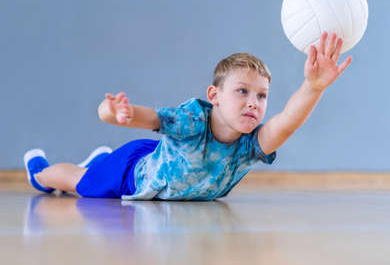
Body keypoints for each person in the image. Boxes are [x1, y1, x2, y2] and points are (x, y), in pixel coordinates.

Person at [24, 32, 352, 200]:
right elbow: (150, 118)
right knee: (79, 184)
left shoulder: (251, 145)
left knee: (91, 173)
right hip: (133, 173)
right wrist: (116, 113)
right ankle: (39, 172)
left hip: (160, 162)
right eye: (242, 91)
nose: (254, 103)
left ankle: (100, 159)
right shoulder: (194, 120)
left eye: (261, 96)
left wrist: (314, 86)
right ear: (214, 97)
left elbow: (287, 122)